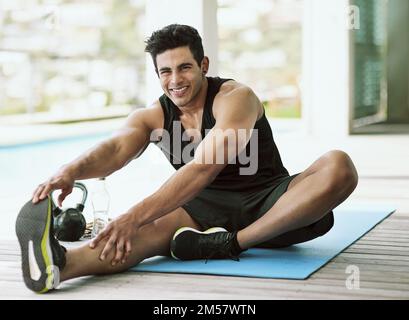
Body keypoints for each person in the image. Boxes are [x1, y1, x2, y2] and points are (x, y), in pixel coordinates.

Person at [16, 24, 358, 293]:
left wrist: (131, 215)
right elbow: (116, 149)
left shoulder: (235, 98)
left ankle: (231, 243)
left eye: (184, 68)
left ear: (203, 65)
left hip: (271, 203)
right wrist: (70, 171)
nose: (175, 80)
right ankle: (59, 266)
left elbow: (204, 166)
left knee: (339, 166)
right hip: (201, 212)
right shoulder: (152, 115)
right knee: (139, 234)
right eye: (165, 71)